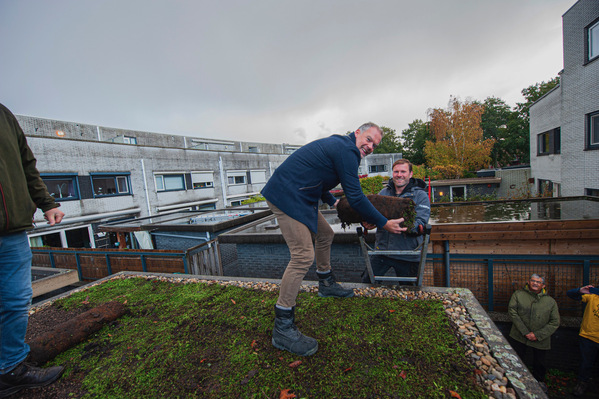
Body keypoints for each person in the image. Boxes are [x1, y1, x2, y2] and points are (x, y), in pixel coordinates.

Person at [261, 122, 406, 356]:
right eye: (368, 140)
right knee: (302, 256)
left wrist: (333, 202)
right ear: (357, 132)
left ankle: (326, 283)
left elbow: (316, 176)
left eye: (374, 145)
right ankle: (283, 326)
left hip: (300, 194)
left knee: (326, 234)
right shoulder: (347, 150)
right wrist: (383, 223)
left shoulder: (342, 146)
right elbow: (356, 197)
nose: (370, 147)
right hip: (286, 196)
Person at [0, 103, 66, 397]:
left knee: (15, 301)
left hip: (12, 231)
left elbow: (27, 164)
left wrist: (46, 202)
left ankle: (10, 369)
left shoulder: (3, 114)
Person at [360, 159, 430, 283]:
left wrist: (398, 226)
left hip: (408, 254)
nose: (399, 175)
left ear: (410, 174)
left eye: (403, 171)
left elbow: (421, 222)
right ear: (392, 173)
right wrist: (368, 223)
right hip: (382, 251)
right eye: (396, 171)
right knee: (367, 282)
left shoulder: (421, 196)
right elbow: (375, 215)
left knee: (409, 290)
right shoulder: (383, 193)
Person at [508, 274, 560, 392]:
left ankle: (539, 383)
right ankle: (515, 383)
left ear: (543, 285)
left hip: (541, 340)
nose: (535, 283)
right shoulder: (518, 295)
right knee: (516, 359)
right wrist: (525, 332)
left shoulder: (550, 302)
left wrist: (537, 335)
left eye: (538, 282)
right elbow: (512, 312)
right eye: (533, 281)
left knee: (539, 363)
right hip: (519, 336)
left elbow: (555, 322)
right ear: (529, 282)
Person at [567, 284, 599, 397]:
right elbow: (570, 294)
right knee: (586, 363)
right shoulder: (593, 296)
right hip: (588, 337)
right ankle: (582, 383)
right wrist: (579, 290)